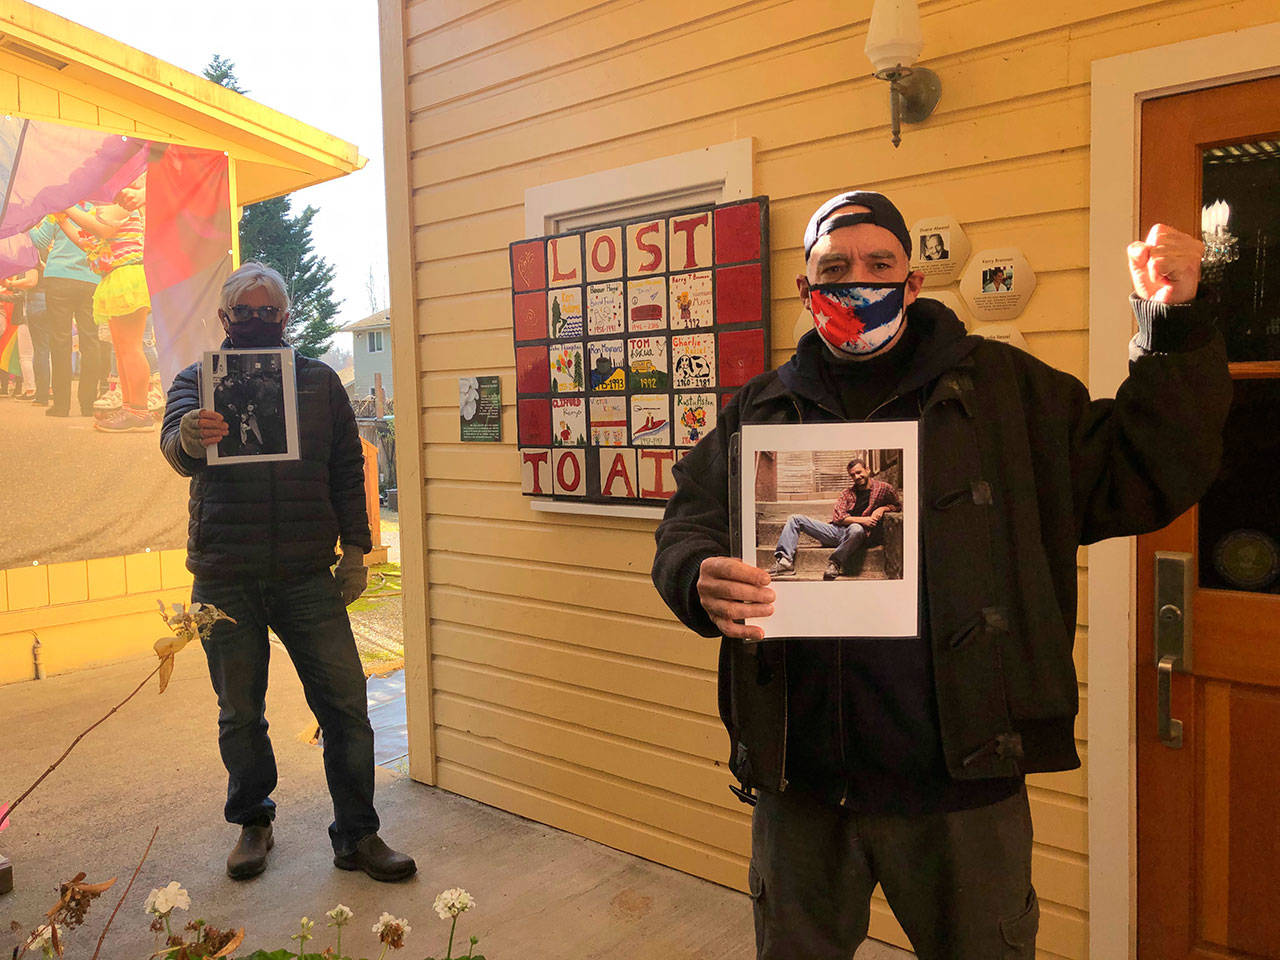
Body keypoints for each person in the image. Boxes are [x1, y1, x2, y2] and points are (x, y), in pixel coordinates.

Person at [651, 189, 1231, 959]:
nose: (857, 280)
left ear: (912, 282)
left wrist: (1173, 329)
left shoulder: (1011, 393)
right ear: (805, 290)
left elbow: (1145, 466)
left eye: (879, 263)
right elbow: (689, 521)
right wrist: (697, 574)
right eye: (834, 267)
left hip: (962, 786)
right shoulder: (763, 409)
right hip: (804, 785)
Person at [160, 262, 415, 883]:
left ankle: (358, 835)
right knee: (239, 711)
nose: (253, 319)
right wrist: (191, 437)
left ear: (286, 314)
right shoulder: (197, 381)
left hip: (307, 575)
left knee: (347, 706)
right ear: (225, 319)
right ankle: (253, 822)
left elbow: (346, 471)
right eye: (241, 311)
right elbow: (174, 449)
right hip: (224, 577)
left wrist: (356, 551)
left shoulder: (321, 382)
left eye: (265, 310)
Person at [59, 181, 153, 433]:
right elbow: (88, 242)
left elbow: (102, 230)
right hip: (116, 278)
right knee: (122, 350)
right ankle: (129, 407)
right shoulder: (108, 207)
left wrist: (65, 207)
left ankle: (139, 411)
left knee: (130, 348)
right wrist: (62, 221)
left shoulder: (124, 203)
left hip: (127, 278)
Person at [768, 458, 901, 581]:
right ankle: (785, 562)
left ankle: (835, 563)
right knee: (795, 519)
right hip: (836, 532)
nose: (856, 477)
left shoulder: (883, 489)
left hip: (859, 535)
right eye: (852, 475)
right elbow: (839, 518)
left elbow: (897, 505)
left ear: (868, 470)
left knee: (856, 529)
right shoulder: (846, 493)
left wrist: (882, 508)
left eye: (859, 472)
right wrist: (864, 520)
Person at [29, 204, 105, 417]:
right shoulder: (98, 208)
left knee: (59, 341)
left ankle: (61, 405)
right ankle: (88, 404)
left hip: (58, 279)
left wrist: (29, 224)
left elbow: (40, 241)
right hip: (91, 279)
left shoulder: (61, 206)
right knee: (91, 342)